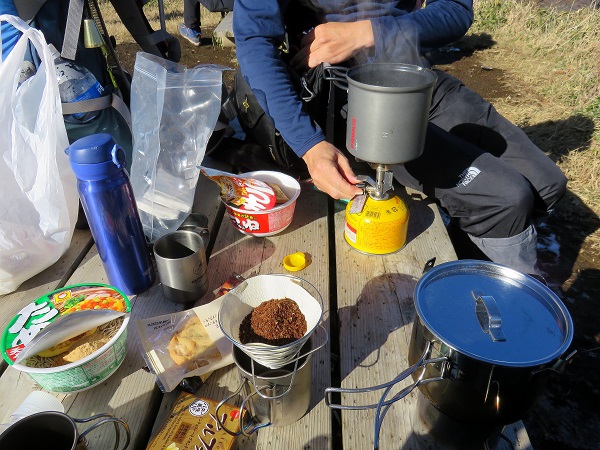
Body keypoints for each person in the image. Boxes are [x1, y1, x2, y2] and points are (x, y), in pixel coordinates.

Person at [232, 0, 567, 275]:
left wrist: (368, 32)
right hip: (344, 91)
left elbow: (456, 9)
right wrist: (310, 145)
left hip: (416, 78)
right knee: (506, 198)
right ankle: (500, 318)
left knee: (547, 183)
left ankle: (472, 261)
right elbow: (254, 41)